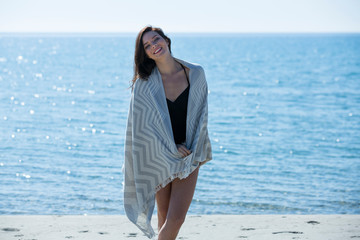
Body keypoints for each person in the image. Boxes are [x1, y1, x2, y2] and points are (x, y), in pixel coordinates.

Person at [123, 26, 212, 240]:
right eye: (147, 45)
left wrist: (188, 148)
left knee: (176, 219)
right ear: (145, 53)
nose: (154, 46)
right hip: (159, 157)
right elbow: (140, 131)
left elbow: (202, 119)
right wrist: (170, 148)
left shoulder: (195, 74)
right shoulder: (143, 85)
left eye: (156, 39)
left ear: (166, 40)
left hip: (188, 154)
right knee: (165, 219)